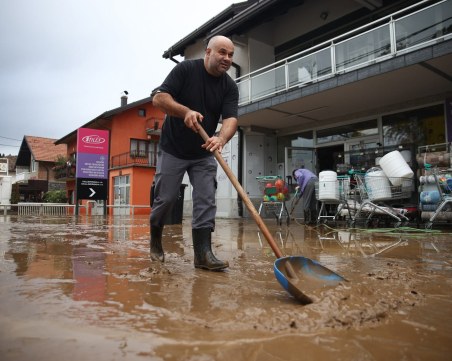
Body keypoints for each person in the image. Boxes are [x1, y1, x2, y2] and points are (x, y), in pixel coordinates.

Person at [150, 35, 239, 271]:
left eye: (231, 55)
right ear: (208, 52)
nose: (227, 59)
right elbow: (159, 98)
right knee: (166, 198)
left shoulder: (229, 86)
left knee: (206, 200)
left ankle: (203, 254)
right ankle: (156, 242)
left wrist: (221, 137)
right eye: (222, 52)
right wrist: (185, 111)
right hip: (173, 148)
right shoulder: (186, 70)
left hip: (203, 152)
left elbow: (231, 119)